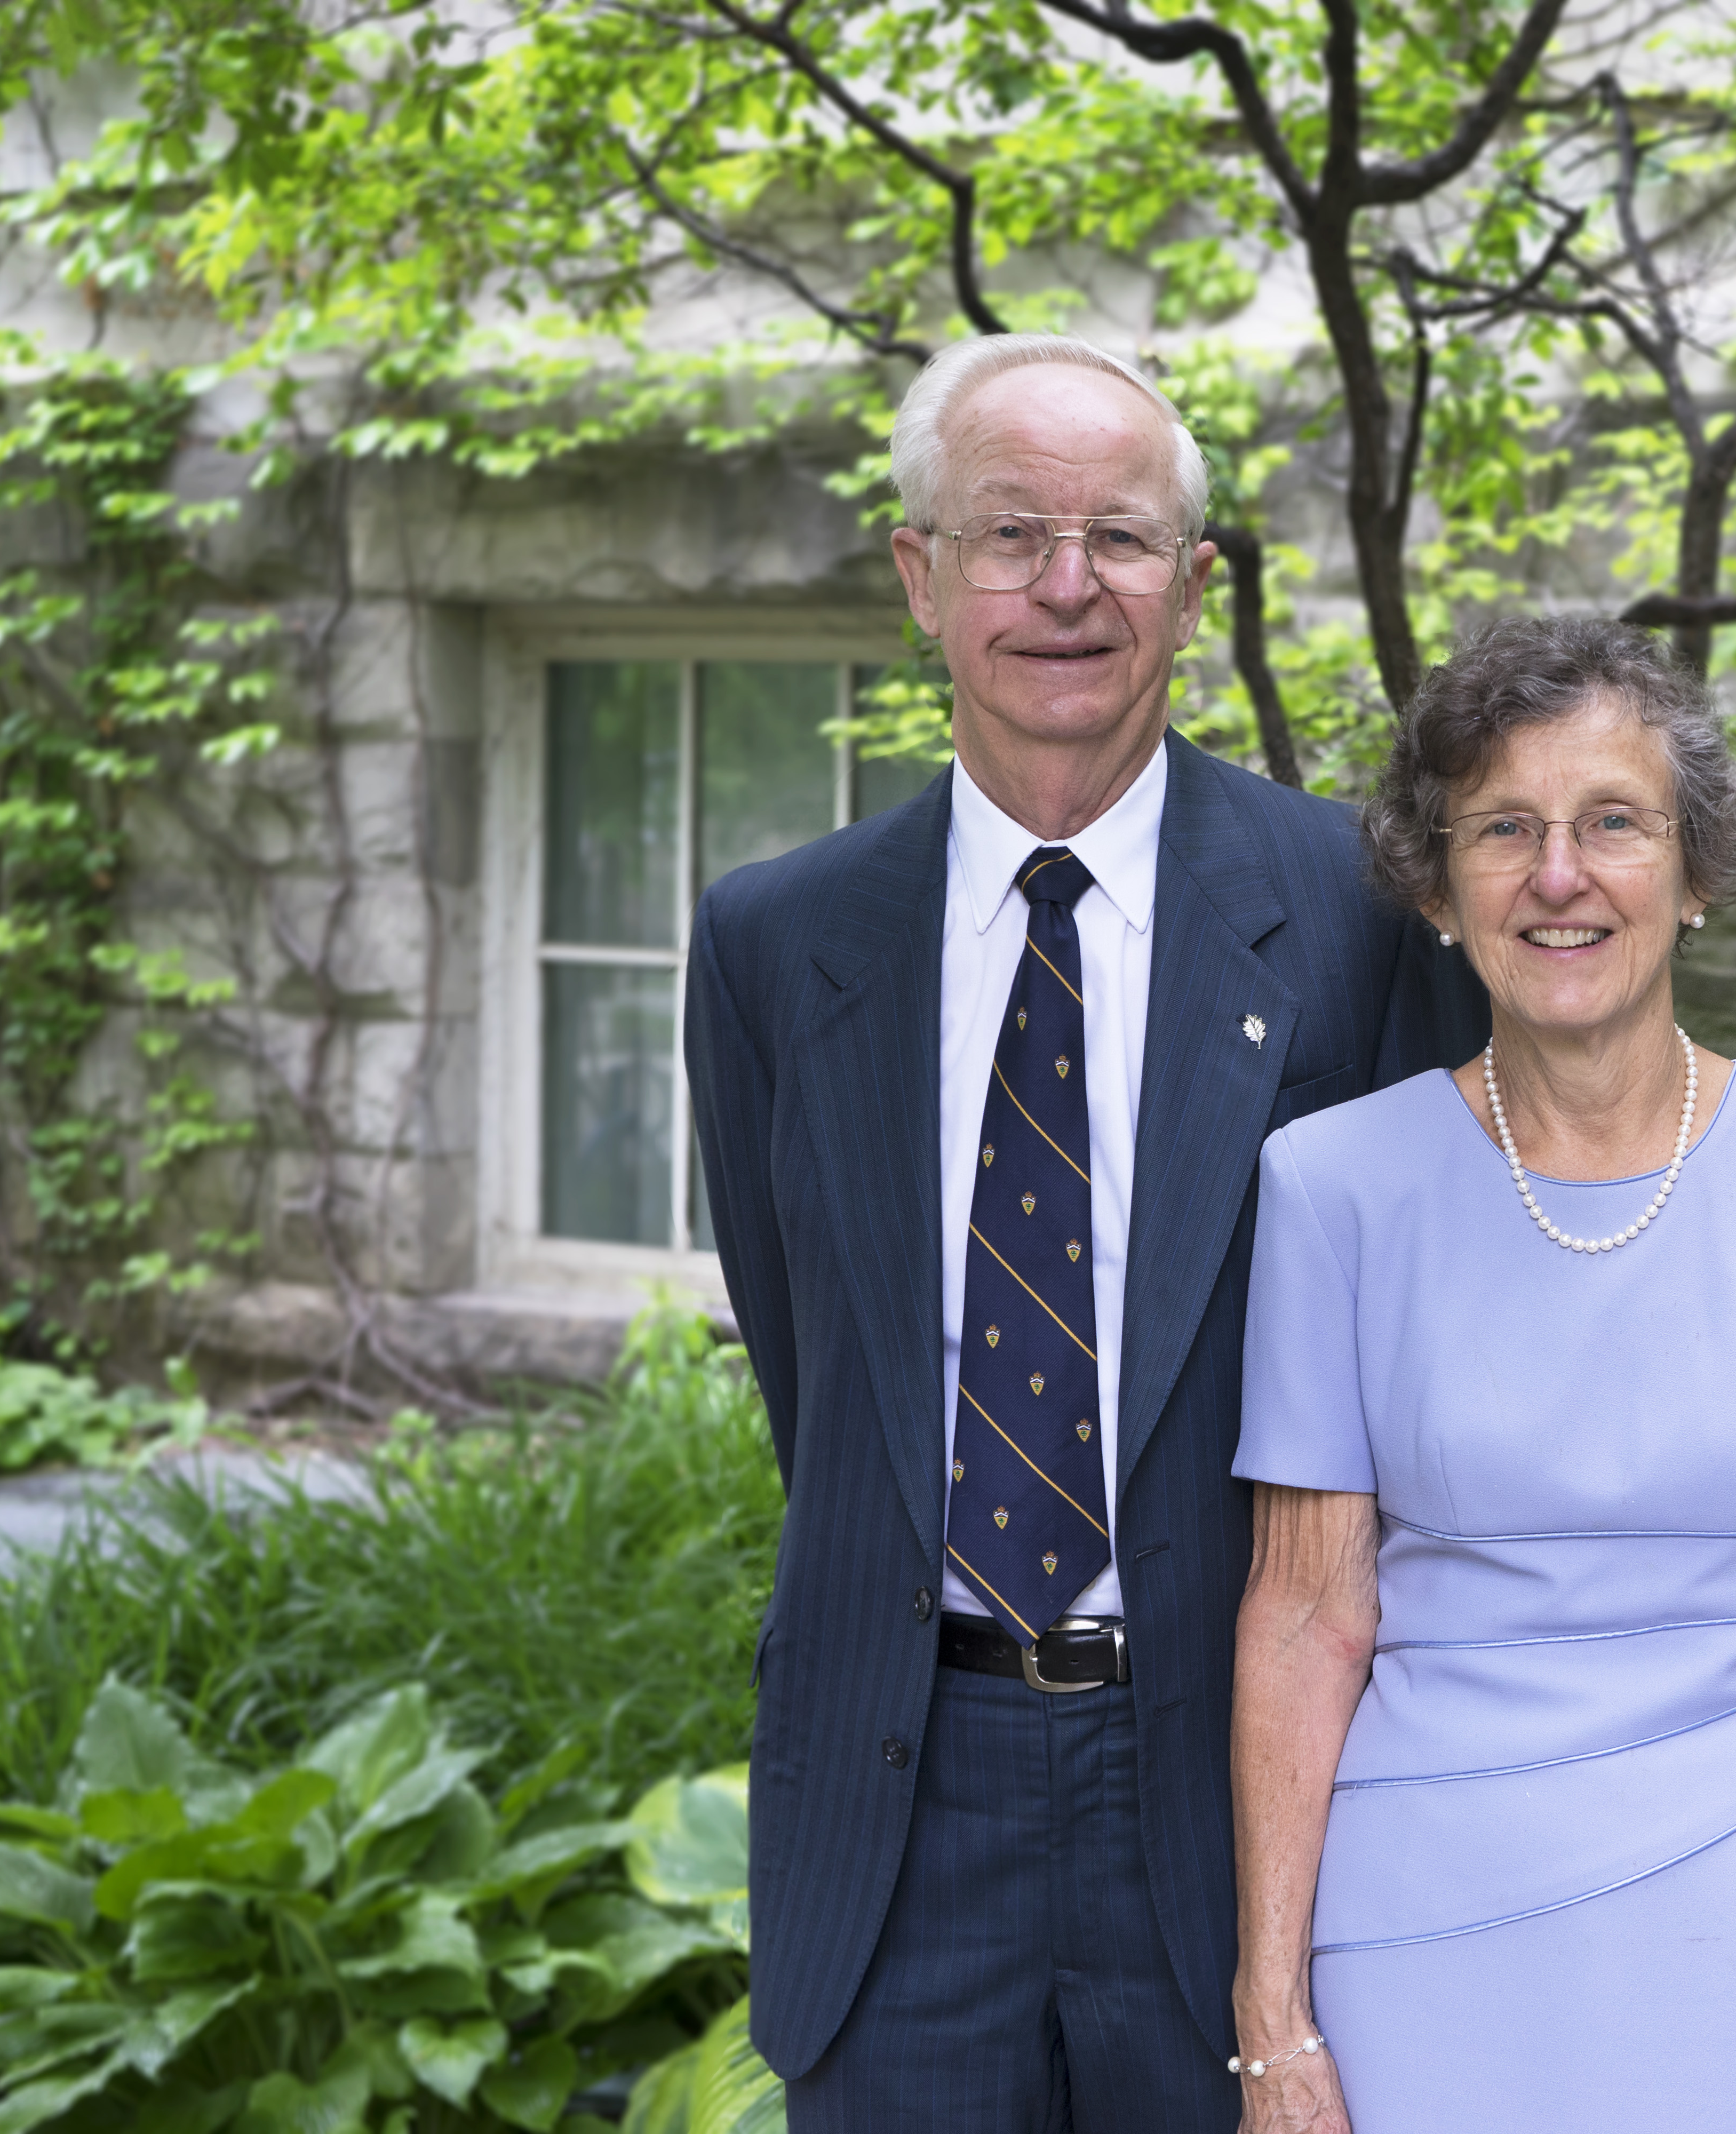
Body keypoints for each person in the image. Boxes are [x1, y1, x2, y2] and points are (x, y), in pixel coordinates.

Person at [685, 333, 1487, 2133]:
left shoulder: (1359, 925)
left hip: (1240, 1781)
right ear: (919, 574)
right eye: (1008, 534)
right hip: (901, 1796)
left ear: (1195, 588)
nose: (1066, 588)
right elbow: (825, 1378)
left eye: (1122, 539)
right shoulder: (773, 942)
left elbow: (1425, 1376)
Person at [1227, 615, 1736, 2132]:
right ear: (1439, 889)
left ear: (1696, 873)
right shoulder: (1332, 1187)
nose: (1558, 876)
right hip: (1418, 1928)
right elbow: (1307, 1620)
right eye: (1504, 829)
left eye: (1613, 826)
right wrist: (1274, 2021)